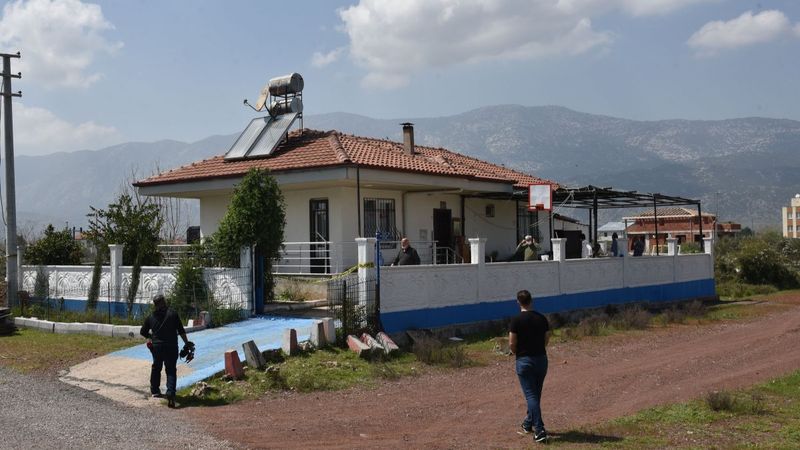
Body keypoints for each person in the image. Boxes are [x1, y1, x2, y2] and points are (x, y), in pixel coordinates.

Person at [509, 289, 550, 443]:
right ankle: (528, 423)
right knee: (536, 394)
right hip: (541, 360)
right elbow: (547, 339)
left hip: (524, 361)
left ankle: (539, 430)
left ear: (518, 302)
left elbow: (512, 343)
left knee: (531, 395)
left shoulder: (516, 320)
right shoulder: (541, 318)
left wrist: (516, 353)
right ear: (531, 300)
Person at [140, 294, 192, 408]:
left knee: (156, 367)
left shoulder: (151, 317)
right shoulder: (173, 314)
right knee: (171, 370)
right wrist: (187, 343)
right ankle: (171, 393)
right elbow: (181, 330)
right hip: (171, 346)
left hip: (157, 347)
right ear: (163, 302)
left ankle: (155, 391)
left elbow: (143, 332)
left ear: (155, 305)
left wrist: (152, 337)